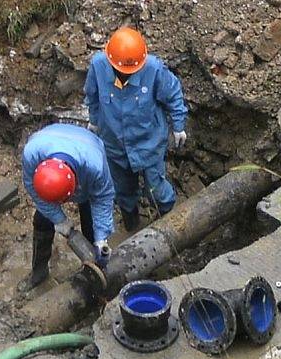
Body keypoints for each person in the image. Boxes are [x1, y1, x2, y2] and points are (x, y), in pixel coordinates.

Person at [85, 26, 187, 233]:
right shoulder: (98, 66)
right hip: (114, 144)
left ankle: (169, 222)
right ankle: (131, 225)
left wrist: (178, 125)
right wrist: (94, 121)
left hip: (149, 143)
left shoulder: (154, 69)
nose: (126, 74)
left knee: (156, 189)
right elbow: (92, 96)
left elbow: (173, 94)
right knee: (123, 190)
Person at [20, 123, 116, 289]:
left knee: (92, 230)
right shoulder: (32, 154)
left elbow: (103, 197)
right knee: (42, 221)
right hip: (54, 151)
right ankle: (39, 272)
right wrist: (59, 219)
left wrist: (102, 237)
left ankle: (93, 273)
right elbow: (33, 190)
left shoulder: (94, 166)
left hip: (85, 158)